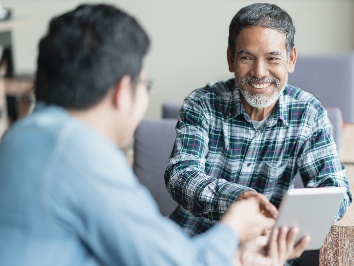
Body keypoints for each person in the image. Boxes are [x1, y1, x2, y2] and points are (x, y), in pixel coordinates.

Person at [0, 4, 308, 266]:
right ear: (123, 91)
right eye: (144, 86)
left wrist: (233, 252)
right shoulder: (81, 156)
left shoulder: (20, 137)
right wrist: (233, 230)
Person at [164, 2, 352, 264]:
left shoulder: (308, 112)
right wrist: (238, 200)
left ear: (291, 60)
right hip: (192, 243)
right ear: (230, 59)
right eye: (246, 57)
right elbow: (180, 175)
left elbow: (335, 188)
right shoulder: (202, 103)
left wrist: (290, 225)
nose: (260, 72)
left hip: (267, 249)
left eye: (273, 58)